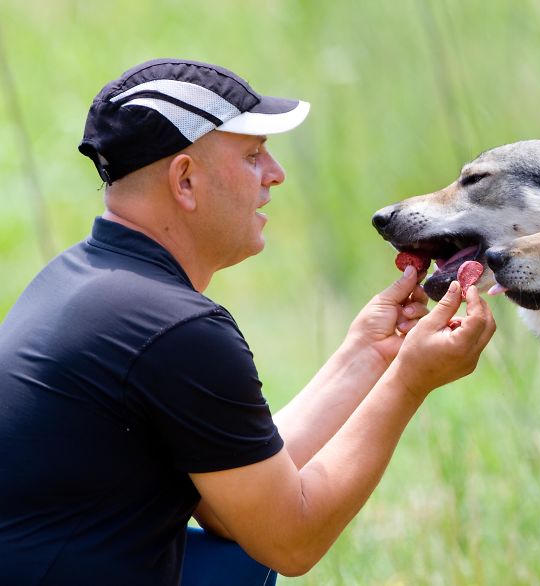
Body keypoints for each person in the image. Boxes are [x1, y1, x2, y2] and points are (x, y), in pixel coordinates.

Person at [0, 58, 495, 585]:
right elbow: (290, 539)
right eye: (253, 155)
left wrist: (368, 354)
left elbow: (230, 508)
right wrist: (409, 383)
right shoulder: (174, 329)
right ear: (185, 181)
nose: (275, 174)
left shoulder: (78, 280)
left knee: (231, 560)